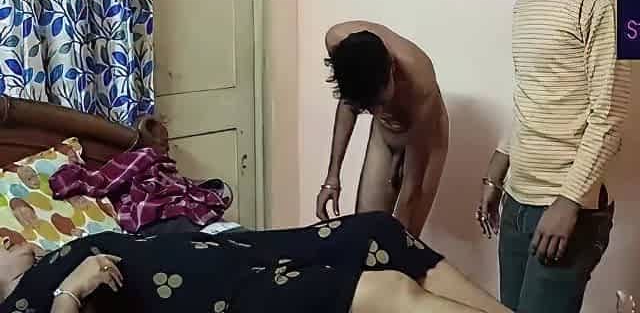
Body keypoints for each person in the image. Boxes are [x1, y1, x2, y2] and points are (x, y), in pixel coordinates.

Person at [476, 0, 631, 313]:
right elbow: (530, 98)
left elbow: (610, 114)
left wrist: (569, 200)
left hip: (566, 209)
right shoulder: (525, 3)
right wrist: (496, 173)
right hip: (516, 200)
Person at [0, 212, 512, 313]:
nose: (5, 236)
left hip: (236, 253)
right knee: (389, 289)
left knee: (378, 230)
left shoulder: (41, 264)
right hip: (215, 300)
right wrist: (70, 290)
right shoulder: (20, 304)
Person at [316, 22, 448, 238]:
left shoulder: (420, 78)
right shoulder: (337, 41)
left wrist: (398, 243)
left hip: (426, 136)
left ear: (392, 68)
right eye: (367, 107)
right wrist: (332, 178)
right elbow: (349, 101)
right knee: (364, 233)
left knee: (404, 239)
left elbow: (412, 187)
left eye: (380, 102)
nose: (376, 111)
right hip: (384, 135)